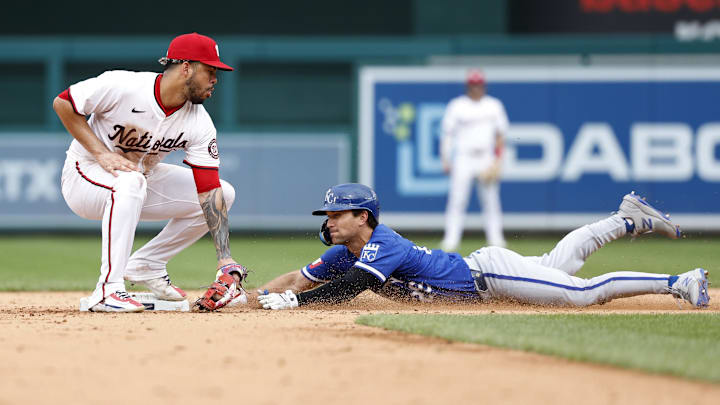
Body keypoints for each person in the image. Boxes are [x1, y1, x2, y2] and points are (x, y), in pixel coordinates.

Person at [252, 183, 709, 310]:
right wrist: (257, 298)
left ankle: (676, 282)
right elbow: (299, 277)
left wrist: (294, 303)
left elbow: (351, 287)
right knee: (556, 264)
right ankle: (626, 218)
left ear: (363, 218)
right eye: (327, 216)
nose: (329, 222)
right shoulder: (342, 251)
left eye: (336, 215)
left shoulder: (382, 244)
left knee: (581, 292)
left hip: (485, 276)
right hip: (488, 275)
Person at [54, 33, 246, 312]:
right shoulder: (123, 86)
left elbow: (208, 189)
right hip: (85, 175)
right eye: (210, 70)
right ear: (186, 67)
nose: (215, 78)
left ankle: (147, 264)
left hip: (138, 178)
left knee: (224, 194)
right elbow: (64, 103)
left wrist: (224, 257)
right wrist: (100, 153)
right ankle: (107, 290)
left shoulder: (198, 122)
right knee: (130, 182)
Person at [440, 69, 508, 251]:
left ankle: (496, 239)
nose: (476, 88)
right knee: (457, 200)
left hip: (485, 156)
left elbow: (500, 135)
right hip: (464, 156)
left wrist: (498, 160)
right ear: (468, 86)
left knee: (491, 200)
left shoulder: (493, 105)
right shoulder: (457, 105)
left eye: (479, 84)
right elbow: (448, 135)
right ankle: (451, 239)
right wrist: (446, 158)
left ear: (484, 86)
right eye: (473, 85)